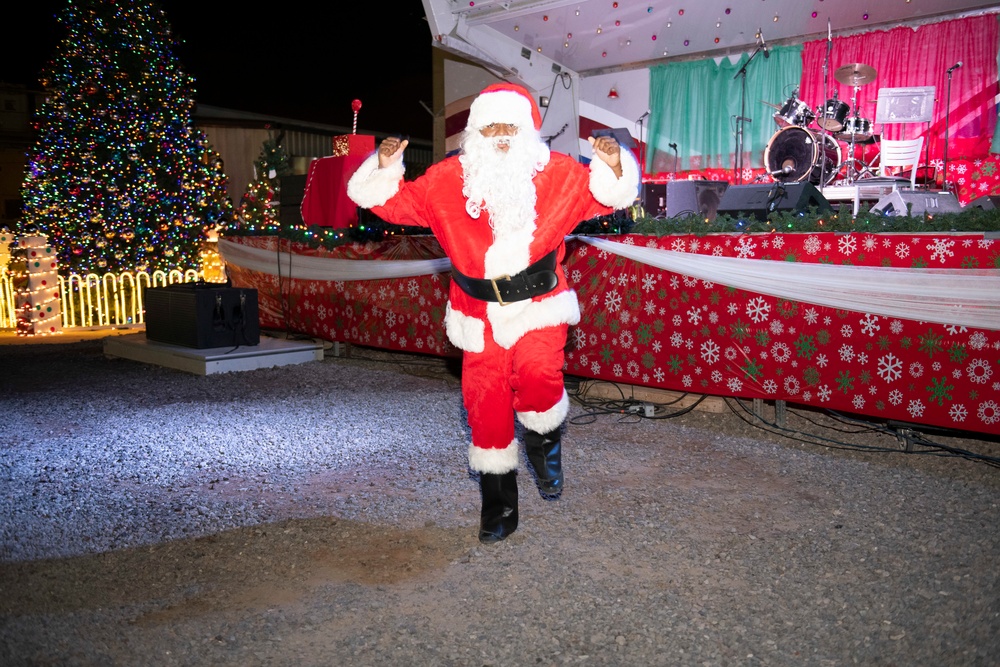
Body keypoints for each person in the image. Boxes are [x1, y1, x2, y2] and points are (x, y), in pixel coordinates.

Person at [347, 82, 639, 543]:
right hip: (476, 313)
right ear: (475, 133)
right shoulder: (447, 179)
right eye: (491, 127)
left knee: (540, 374)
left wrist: (614, 162)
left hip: (539, 305)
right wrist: (384, 167)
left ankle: (544, 444)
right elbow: (391, 203)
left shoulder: (558, 174)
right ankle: (498, 505)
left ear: (526, 132)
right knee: (485, 407)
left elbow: (610, 195)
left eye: (510, 126)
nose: (501, 135)